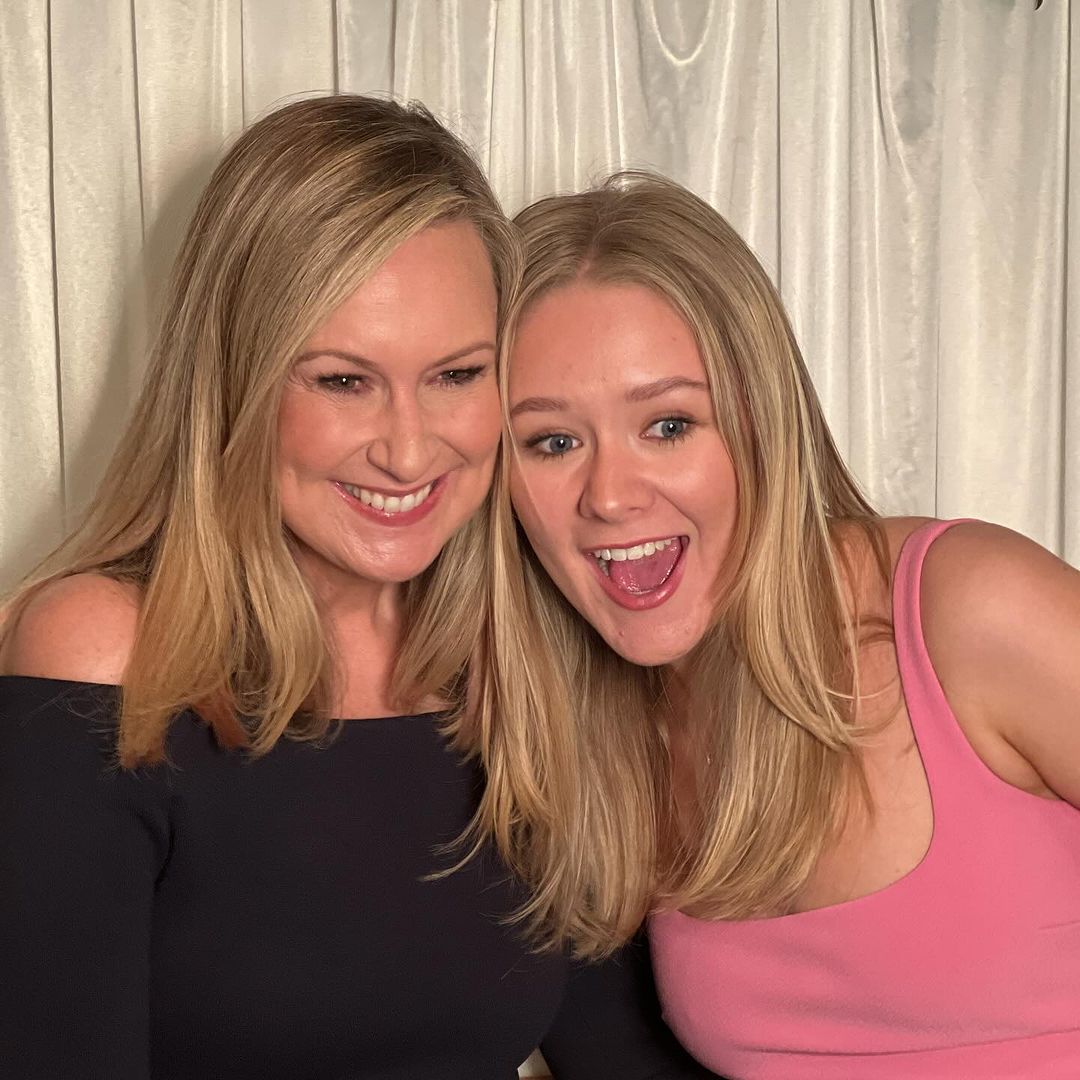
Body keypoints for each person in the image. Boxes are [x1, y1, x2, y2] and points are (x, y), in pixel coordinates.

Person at [0, 101, 713, 1080]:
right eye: (344, 381)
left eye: (456, 374)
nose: (409, 450)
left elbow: (621, 1054)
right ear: (236, 381)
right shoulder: (107, 651)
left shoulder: (517, 667)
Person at [472, 171, 1080, 1078]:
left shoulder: (966, 613)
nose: (609, 495)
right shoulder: (597, 738)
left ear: (763, 419)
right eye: (553, 442)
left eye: (668, 425)